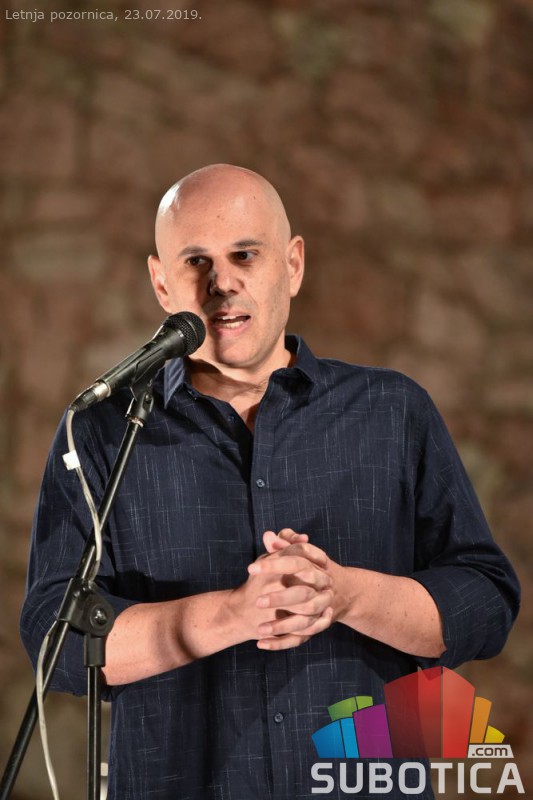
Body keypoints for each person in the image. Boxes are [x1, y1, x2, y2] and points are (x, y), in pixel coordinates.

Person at [21, 164, 520, 799]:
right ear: (161, 283)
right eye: (196, 261)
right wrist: (231, 615)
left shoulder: (393, 411)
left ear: (293, 265)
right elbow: (55, 642)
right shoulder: (100, 431)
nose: (222, 283)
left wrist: (344, 595)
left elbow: (486, 602)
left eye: (245, 255)